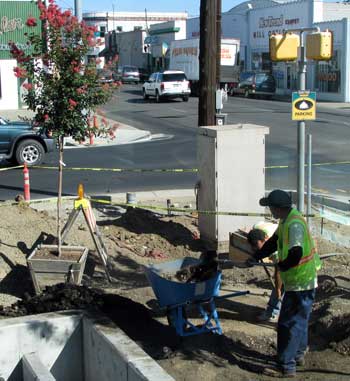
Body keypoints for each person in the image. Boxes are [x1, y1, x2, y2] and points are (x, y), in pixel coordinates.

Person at [249, 189, 321, 378]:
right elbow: (273, 242)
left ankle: (285, 366)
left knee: (288, 324)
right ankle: (297, 356)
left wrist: (282, 265)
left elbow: (296, 254)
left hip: (300, 282)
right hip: (302, 281)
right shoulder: (286, 220)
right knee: (300, 321)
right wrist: (256, 256)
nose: (270, 211)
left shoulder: (294, 224)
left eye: (271, 207)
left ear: (278, 208)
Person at [247, 222, 283, 322]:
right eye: (252, 245)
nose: (254, 248)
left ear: (266, 239)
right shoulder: (257, 228)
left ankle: (272, 313)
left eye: (256, 245)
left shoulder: (277, 249)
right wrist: (254, 257)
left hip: (299, 263)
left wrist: (278, 289)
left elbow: (279, 272)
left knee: (280, 286)